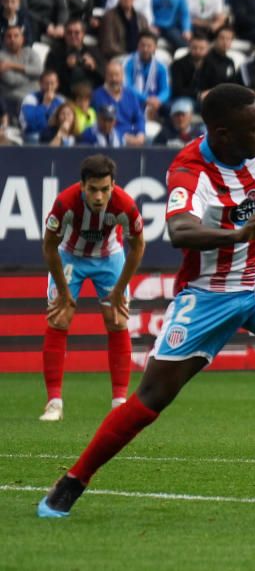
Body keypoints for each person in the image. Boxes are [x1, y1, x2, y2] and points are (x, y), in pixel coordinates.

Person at [38, 84, 255, 518]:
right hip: (209, 293)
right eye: (254, 127)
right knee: (151, 398)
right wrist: (237, 234)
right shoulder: (190, 170)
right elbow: (179, 232)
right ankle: (74, 479)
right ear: (222, 134)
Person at [37, 155, 145, 422]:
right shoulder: (65, 203)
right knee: (59, 318)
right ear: (83, 186)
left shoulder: (125, 206)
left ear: (113, 186)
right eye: (93, 189)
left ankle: (120, 403)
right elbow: (49, 245)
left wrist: (120, 289)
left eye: (105, 190)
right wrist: (63, 290)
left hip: (109, 257)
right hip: (71, 256)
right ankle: (54, 403)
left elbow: (138, 246)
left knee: (117, 319)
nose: (99, 197)